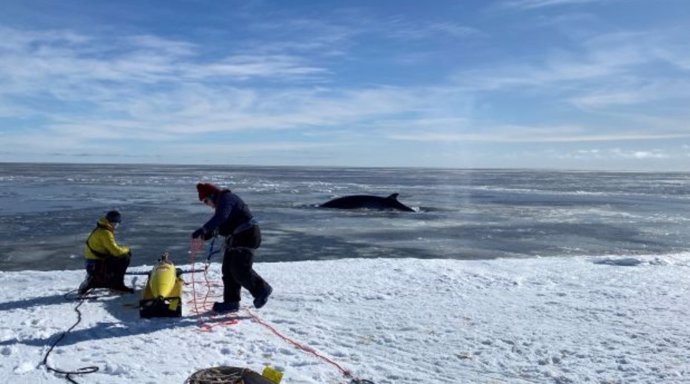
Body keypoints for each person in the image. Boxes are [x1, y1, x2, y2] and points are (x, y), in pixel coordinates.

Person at [192, 182, 272, 313]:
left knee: (240, 269)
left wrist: (204, 228)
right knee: (228, 270)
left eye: (206, 201)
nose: (207, 205)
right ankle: (231, 302)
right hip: (236, 238)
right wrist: (205, 235)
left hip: (248, 235)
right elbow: (222, 226)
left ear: (211, 196)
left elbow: (221, 218)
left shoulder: (227, 199)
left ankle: (262, 289)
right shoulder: (222, 204)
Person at [78, 210, 134, 295]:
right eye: (115, 223)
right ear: (111, 222)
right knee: (125, 257)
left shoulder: (100, 229)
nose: (116, 226)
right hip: (96, 263)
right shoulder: (105, 233)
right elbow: (116, 252)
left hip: (92, 261)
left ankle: (112, 281)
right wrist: (127, 249)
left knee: (121, 256)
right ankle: (117, 284)